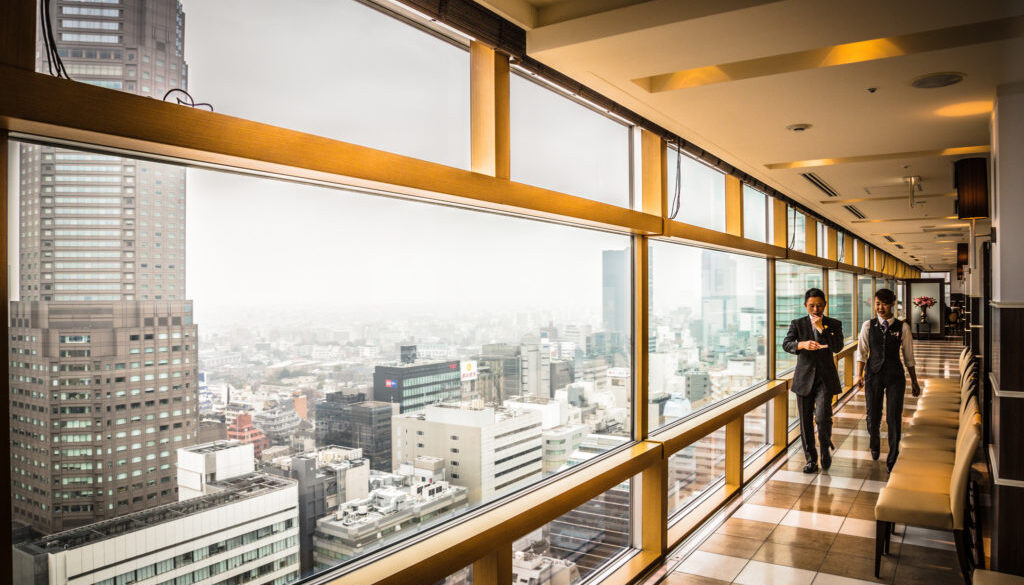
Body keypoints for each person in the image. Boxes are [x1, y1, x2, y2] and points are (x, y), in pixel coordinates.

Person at [853, 288, 921, 472]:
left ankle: (893, 457)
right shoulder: (868, 326)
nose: (880, 308)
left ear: (892, 304)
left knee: (893, 418)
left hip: (895, 376)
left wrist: (914, 381)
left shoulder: (902, 327)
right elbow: (862, 352)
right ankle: (874, 443)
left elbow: (909, 357)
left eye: (884, 304)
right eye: (877, 304)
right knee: (872, 416)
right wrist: (859, 375)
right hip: (873, 375)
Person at [784, 288, 845, 473]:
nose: (816, 309)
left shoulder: (833, 324)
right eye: (812, 306)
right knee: (805, 422)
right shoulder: (798, 324)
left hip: (825, 378)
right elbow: (786, 344)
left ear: (825, 304)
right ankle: (811, 459)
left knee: (822, 417)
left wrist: (821, 329)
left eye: (819, 305)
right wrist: (801, 344)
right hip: (804, 379)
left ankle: (825, 447)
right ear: (805, 306)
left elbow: (838, 347)